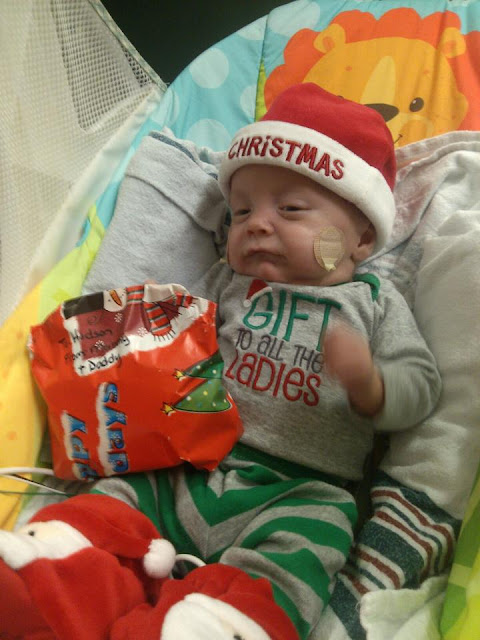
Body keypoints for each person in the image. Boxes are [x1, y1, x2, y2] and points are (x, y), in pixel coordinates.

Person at [0, 84, 441, 640]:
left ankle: (216, 623)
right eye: (241, 212)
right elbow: (166, 335)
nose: (257, 224)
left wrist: (372, 386)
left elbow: (422, 387)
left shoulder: (374, 305)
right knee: (109, 505)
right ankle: (52, 579)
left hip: (299, 492)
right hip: (184, 464)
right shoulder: (227, 283)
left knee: (300, 561)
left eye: (291, 209)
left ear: (362, 238)